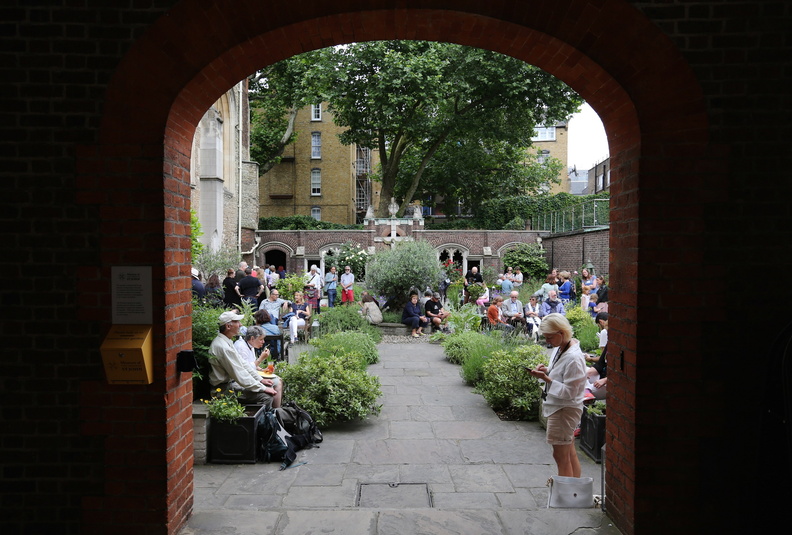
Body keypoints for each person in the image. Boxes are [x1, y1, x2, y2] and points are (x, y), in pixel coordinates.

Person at [528, 313, 587, 477]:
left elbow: (570, 392)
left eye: (549, 337)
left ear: (561, 333)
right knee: (568, 451)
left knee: (561, 456)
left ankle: (566, 495)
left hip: (564, 409)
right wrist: (547, 371)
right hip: (561, 408)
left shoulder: (573, 357)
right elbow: (561, 374)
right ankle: (574, 491)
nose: (547, 341)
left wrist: (546, 378)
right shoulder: (561, 347)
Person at [208, 310, 279, 408]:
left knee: (270, 385)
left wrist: (260, 379)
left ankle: (271, 417)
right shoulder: (222, 347)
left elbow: (243, 364)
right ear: (228, 326)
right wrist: (262, 387)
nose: (240, 324)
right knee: (267, 396)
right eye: (237, 322)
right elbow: (239, 373)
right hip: (223, 389)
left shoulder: (226, 342)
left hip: (230, 384)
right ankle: (263, 422)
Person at [583, 312, 609, 401]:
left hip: (609, 380)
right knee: (582, 371)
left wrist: (605, 380)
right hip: (603, 375)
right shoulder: (609, 344)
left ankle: (586, 391)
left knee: (577, 390)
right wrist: (589, 372)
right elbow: (601, 363)